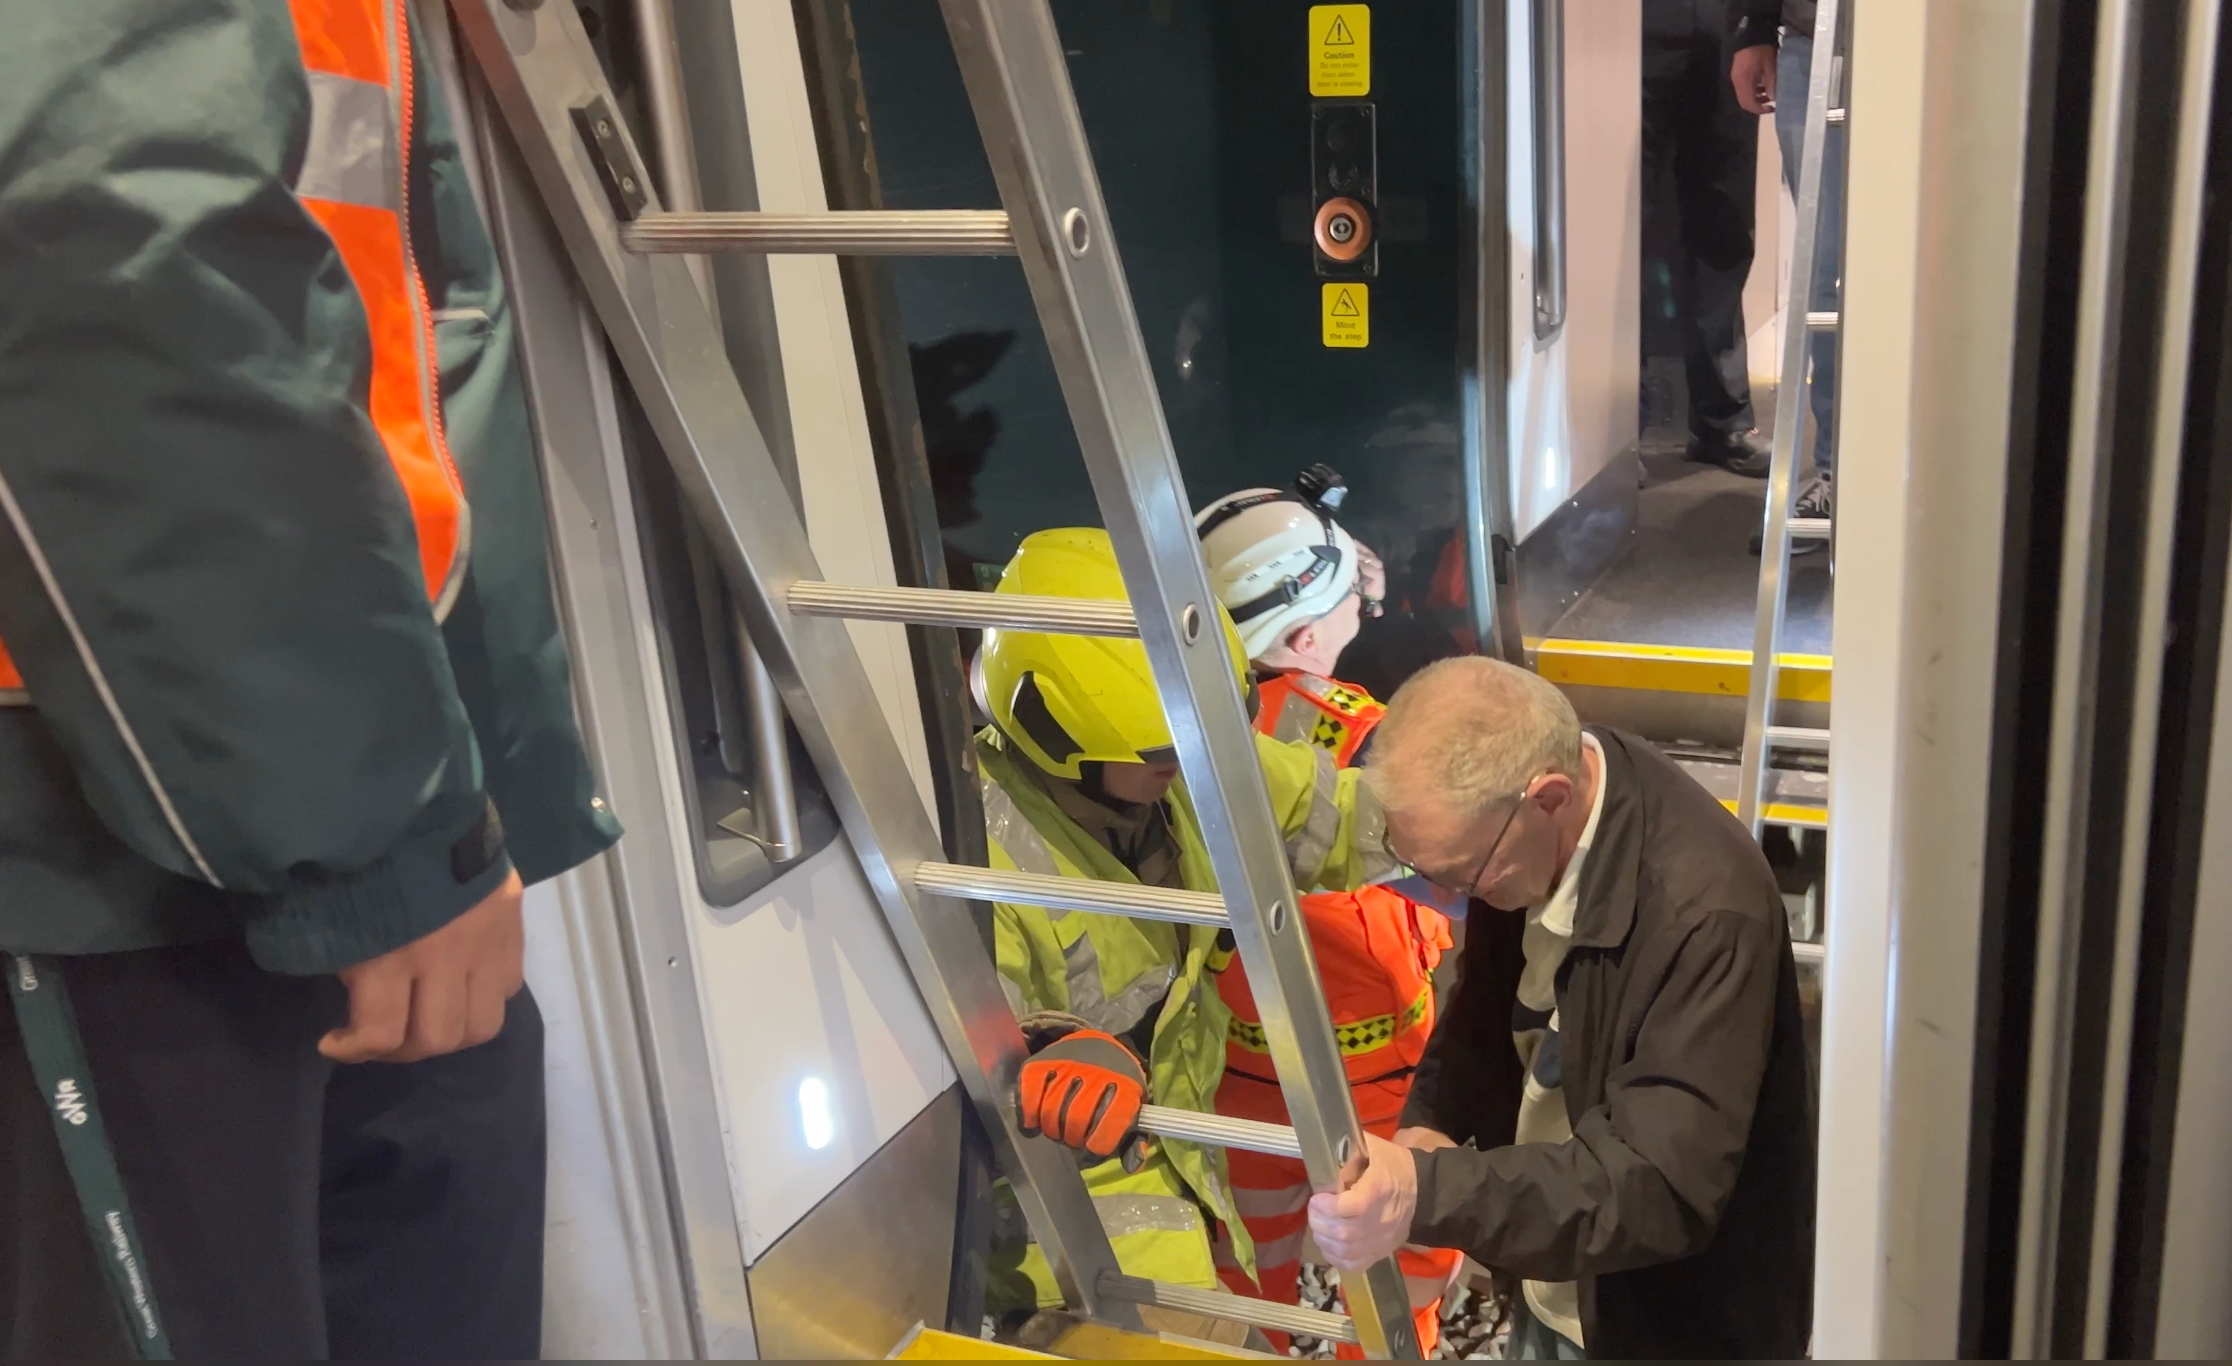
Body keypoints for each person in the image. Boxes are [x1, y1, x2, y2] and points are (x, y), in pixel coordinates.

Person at [0, 1, 621, 1357]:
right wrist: (381, 838)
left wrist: (463, 801)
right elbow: (92, 237)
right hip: (120, 838)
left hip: (337, 789)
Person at [1304, 657, 1815, 1359]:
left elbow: (1658, 1187)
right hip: (1561, 1273)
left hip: (1664, 1323)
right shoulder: (1535, 803)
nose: (1456, 902)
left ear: (1547, 798)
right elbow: (1484, 1003)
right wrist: (1433, 1124)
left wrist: (1427, 1190)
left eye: (1464, 876)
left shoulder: (1707, 915)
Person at [974, 528, 1397, 1337]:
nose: (1192, 763)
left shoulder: (1170, 774)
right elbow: (969, 1046)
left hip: (1174, 1144)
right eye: (1164, 752)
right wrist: (1054, 1045)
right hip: (1074, 1192)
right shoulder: (981, 856)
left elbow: (1339, 816)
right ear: (1056, 739)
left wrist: (1468, 808)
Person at [1195, 474, 1467, 1356]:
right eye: (1351, 593)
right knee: (1404, 1255)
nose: (1367, 599)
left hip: (1237, 1058)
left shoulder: (1183, 727)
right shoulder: (1354, 729)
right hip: (1373, 1068)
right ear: (1309, 634)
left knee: (1250, 1256)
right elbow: (1449, 866)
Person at [1645, 0, 1773, 477]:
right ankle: (1612, 435)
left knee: (1723, 224)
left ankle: (1723, 422)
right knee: (1613, 225)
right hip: (1616, 29)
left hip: (1726, 25)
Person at [1730, 0, 1841, 549]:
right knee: (1828, 268)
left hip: (1939, 39)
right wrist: (1752, 26)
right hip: (1811, 39)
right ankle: (1836, 475)